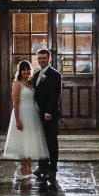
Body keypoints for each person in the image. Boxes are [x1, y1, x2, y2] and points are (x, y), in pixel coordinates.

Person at [2, 60, 49, 179]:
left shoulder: (31, 83)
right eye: (23, 69)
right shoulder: (17, 84)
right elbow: (15, 103)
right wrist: (17, 120)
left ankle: (29, 169)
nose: (26, 71)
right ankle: (24, 169)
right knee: (23, 141)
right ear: (20, 71)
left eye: (28, 69)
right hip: (22, 113)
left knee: (30, 141)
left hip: (32, 114)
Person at [32, 48, 63, 188]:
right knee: (40, 141)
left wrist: (49, 112)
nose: (41, 60)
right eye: (39, 58)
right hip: (37, 114)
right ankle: (42, 167)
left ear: (49, 58)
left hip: (49, 114)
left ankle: (53, 168)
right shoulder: (36, 74)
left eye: (44, 58)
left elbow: (55, 95)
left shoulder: (55, 75)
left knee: (51, 142)